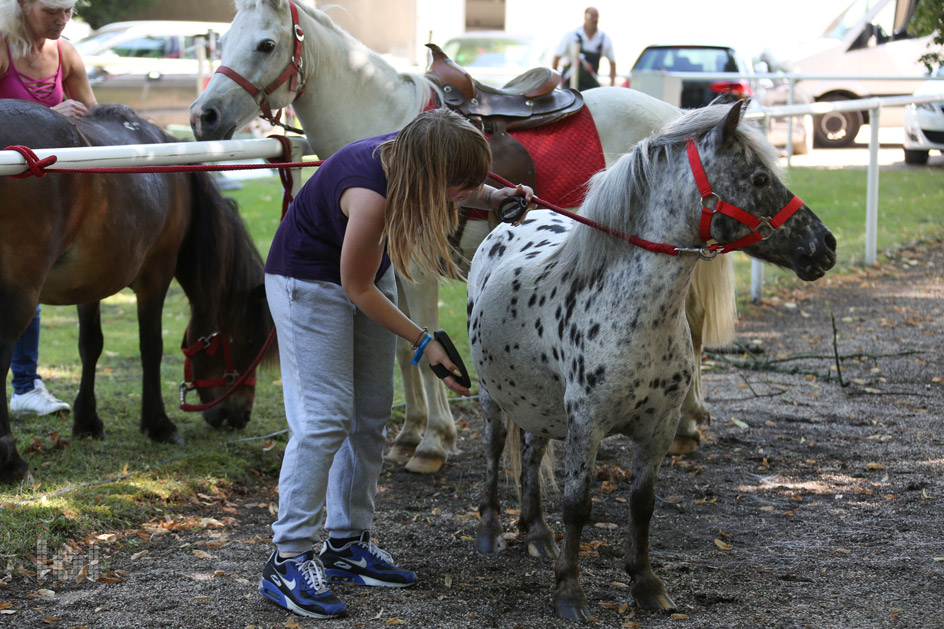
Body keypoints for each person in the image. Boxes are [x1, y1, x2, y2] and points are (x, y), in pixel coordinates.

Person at [259, 107, 532, 619]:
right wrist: (424, 340)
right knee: (324, 418)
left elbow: (450, 185)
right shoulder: (370, 195)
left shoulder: (417, 151)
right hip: (308, 285)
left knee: (370, 413)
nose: (465, 192)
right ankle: (289, 556)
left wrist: (493, 196)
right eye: (461, 184)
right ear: (431, 173)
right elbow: (354, 286)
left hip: (361, 275)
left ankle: (346, 543)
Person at [0, 0, 95, 415]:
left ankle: (25, 386)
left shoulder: (67, 54)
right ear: (23, 5)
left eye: (68, 11)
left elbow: (94, 114)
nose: (61, 20)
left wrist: (76, 121)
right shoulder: (2, 47)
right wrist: (49, 116)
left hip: (43, 196)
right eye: (51, 10)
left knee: (27, 289)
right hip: (6, 189)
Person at [552, 6, 617, 91]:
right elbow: (557, 57)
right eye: (591, 16)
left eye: (596, 16)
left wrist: (611, 86)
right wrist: (554, 85)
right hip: (568, 85)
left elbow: (612, 62)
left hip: (590, 86)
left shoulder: (604, 39)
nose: (594, 19)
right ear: (585, 17)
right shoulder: (572, 35)